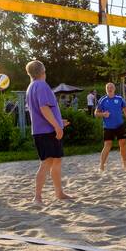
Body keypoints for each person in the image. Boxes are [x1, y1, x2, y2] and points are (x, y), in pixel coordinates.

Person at [26, 60, 72, 204]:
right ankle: (37, 197)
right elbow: (44, 108)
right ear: (43, 71)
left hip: (42, 130)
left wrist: (59, 122)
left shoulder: (31, 87)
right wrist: (57, 127)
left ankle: (59, 193)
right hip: (46, 131)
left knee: (56, 161)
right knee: (46, 163)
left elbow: (42, 111)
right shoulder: (41, 85)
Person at [96, 82, 126, 171]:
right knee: (107, 145)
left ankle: (125, 165)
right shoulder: (102, 100)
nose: (110, 89)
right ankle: (101, 166)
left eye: (111, 87)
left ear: (114, 89)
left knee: (123, 143)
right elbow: (96, 113)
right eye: (108, 87)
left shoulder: (120, 99)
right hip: (108, 127)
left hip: (119, 125)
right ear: (106, 89)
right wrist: (103, 114)